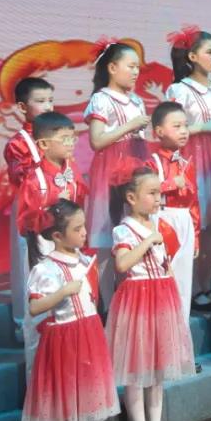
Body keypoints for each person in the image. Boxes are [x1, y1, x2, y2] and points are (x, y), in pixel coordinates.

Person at [107, 162, 195, 421]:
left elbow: (164, 263)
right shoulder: (124, 229)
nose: (158, 198)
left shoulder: (158, 225)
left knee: (157, 370)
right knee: (136, 371)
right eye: (152, 193)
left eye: (159, 193)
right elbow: (122, 264)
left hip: (160, 297)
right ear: (131, 198)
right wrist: (147, 242)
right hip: (138, 300)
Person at [21, 200, 118, 421]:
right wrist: (63, 292)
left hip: (89, 333)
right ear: (57, 236)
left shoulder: (83, 260)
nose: (84, 232)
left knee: (84, 401)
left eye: (84, 226)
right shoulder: (46, 269)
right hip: (65, 340)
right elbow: (34, 307)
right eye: (77, 229)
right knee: (68, 402)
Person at [15, 111, 88, 378]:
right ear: (44, 144)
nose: (70, 144)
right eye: (64, 139)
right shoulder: (35, 178)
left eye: (72, 138)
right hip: (45, 247)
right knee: (42, 314)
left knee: (72, 310)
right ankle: (39, 381)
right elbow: (26, 221)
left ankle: (69, 378)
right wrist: (53, 209)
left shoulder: (72, 170)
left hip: (70, 248)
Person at [166, 27, 211, 312]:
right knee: (194, 225)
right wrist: (202, 127)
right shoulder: (179, 90)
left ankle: (205, 287)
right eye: (209, 52)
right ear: (192, 56)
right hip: (192, 161)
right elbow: (169, 128)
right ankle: (189, 290)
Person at [84, 40, 150, 304]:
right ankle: (108, 304)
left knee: (133, 236)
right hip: (110, 172)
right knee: (107, 238)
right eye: (130, 66)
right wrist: (130, 126)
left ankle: (130, 301)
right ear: (112, 68)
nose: (135, 72)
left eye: (138, 67)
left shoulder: (137, 100)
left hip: (136, 170)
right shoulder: (101, 99)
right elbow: (97, 141)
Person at [145, 101, 201, 344]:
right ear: (159, 131)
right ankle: (162, 343)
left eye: (185, 126)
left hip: (184, 220)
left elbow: (194, 201)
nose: (183, 131)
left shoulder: (186, 162)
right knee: (165, 282)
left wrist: (195, 235)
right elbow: (143, 194)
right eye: (176, 126)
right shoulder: (152, 162)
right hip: (162, 219)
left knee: (183, 284)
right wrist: (169, 184)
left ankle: (181, 346)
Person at [3, 76, 55, 334]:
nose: (48, 106)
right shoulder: (18, 143)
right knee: (29, 263)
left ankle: (55, 316)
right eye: (41, 101)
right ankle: (25, 326)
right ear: (23, 107)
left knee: (55, 260)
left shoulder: (56, 136)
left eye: (50, 101)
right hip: (29, 207)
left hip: (56, 207)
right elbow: (23, 178)